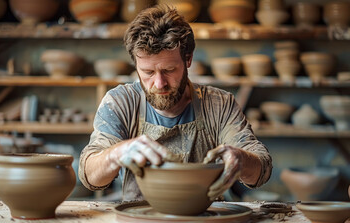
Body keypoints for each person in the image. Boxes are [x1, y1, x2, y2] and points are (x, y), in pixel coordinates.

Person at [79, 5, 272, 201]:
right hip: (139, 221)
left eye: (169, 70)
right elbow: (91, 177)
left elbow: (261, 171)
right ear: (136, 64)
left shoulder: (218, 104)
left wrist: (241, 160)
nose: (159, 83)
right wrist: (115, 154)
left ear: (188, 59)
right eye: (148, 72)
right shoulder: (120, 102)